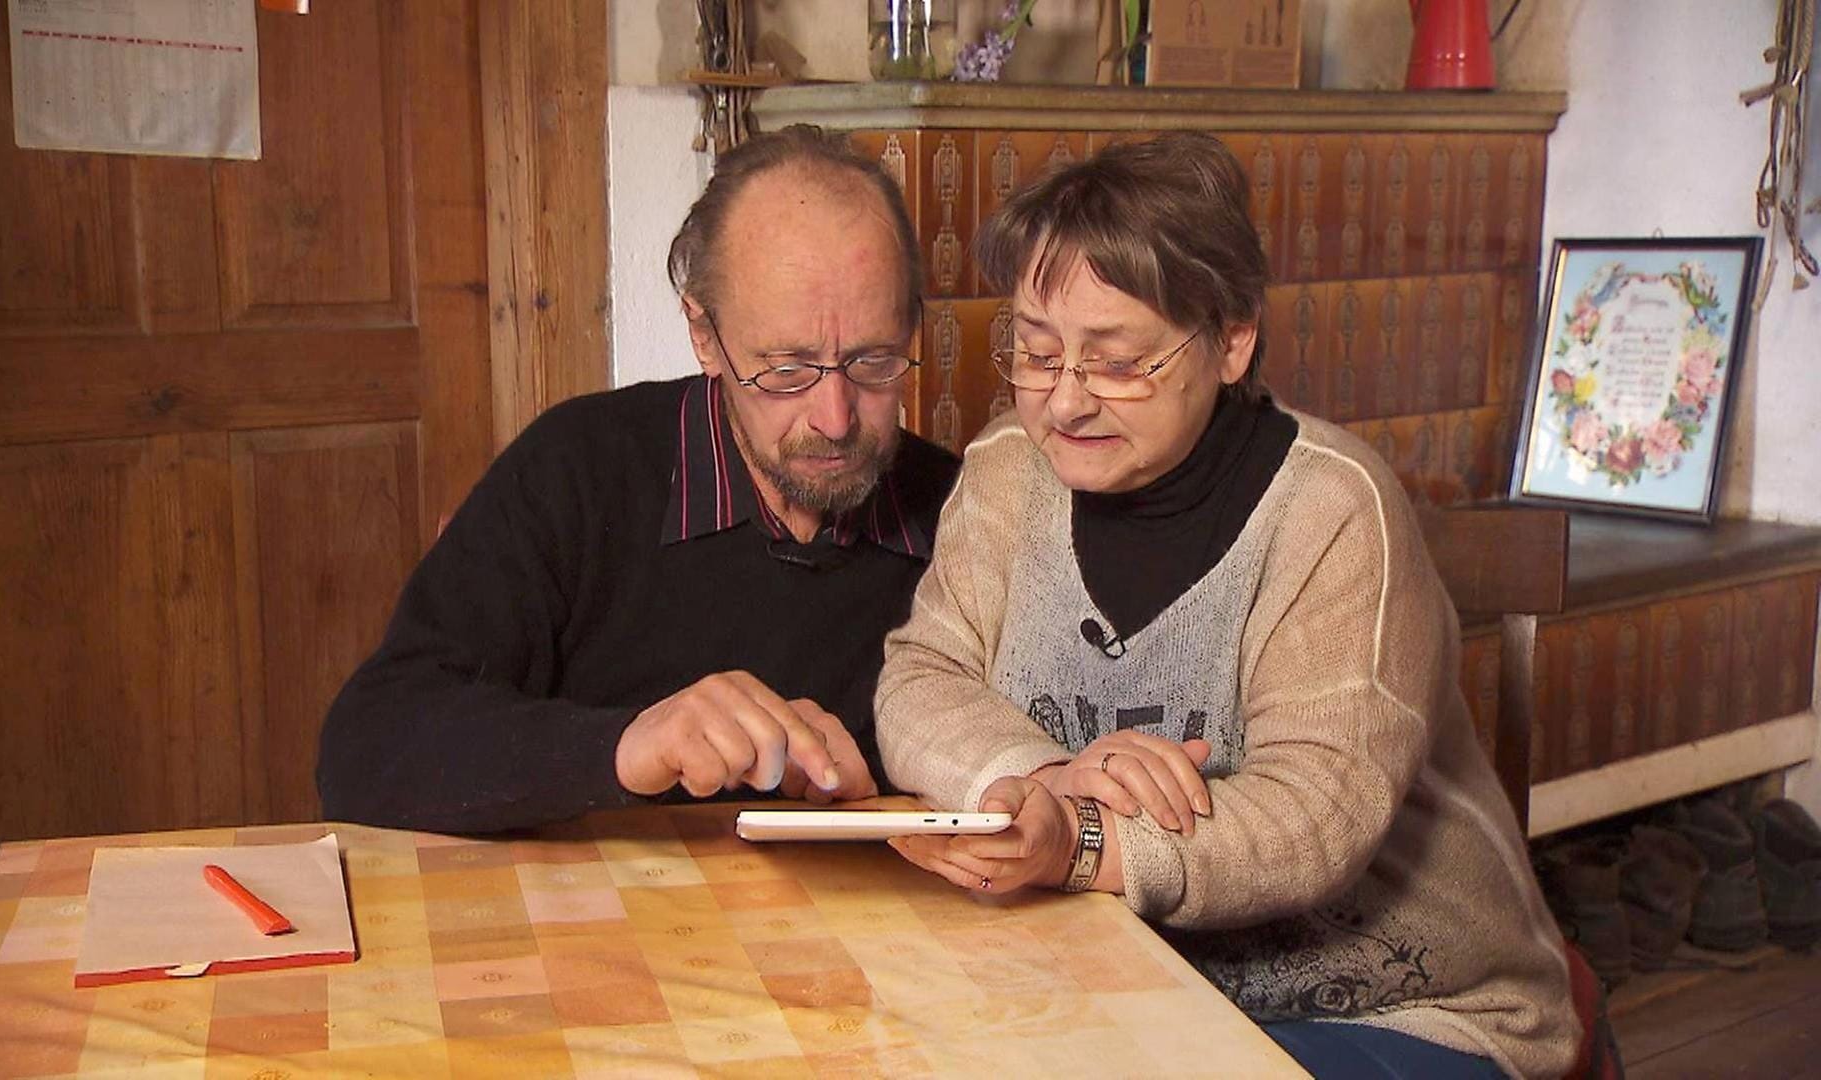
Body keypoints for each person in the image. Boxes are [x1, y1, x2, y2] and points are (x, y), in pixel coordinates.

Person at [874, 133, 1580, 1078]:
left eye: (1119, 362)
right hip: (1127, 979)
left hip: (1401, 1002)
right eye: (1038, 353)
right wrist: (1044, 779)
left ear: (1232, 338)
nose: (1065, 403)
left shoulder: (1331, 510)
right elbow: (923, 675)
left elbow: (1314, 819)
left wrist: (1084, 844)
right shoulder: (1009, 474)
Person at [317, 126, 959, 834]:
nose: (835, 419)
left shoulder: (969, 516)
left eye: (873, 363)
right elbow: (365, 749)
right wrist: (626, 747)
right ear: (705, 337)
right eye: (785, 371)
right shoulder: (579, 473)